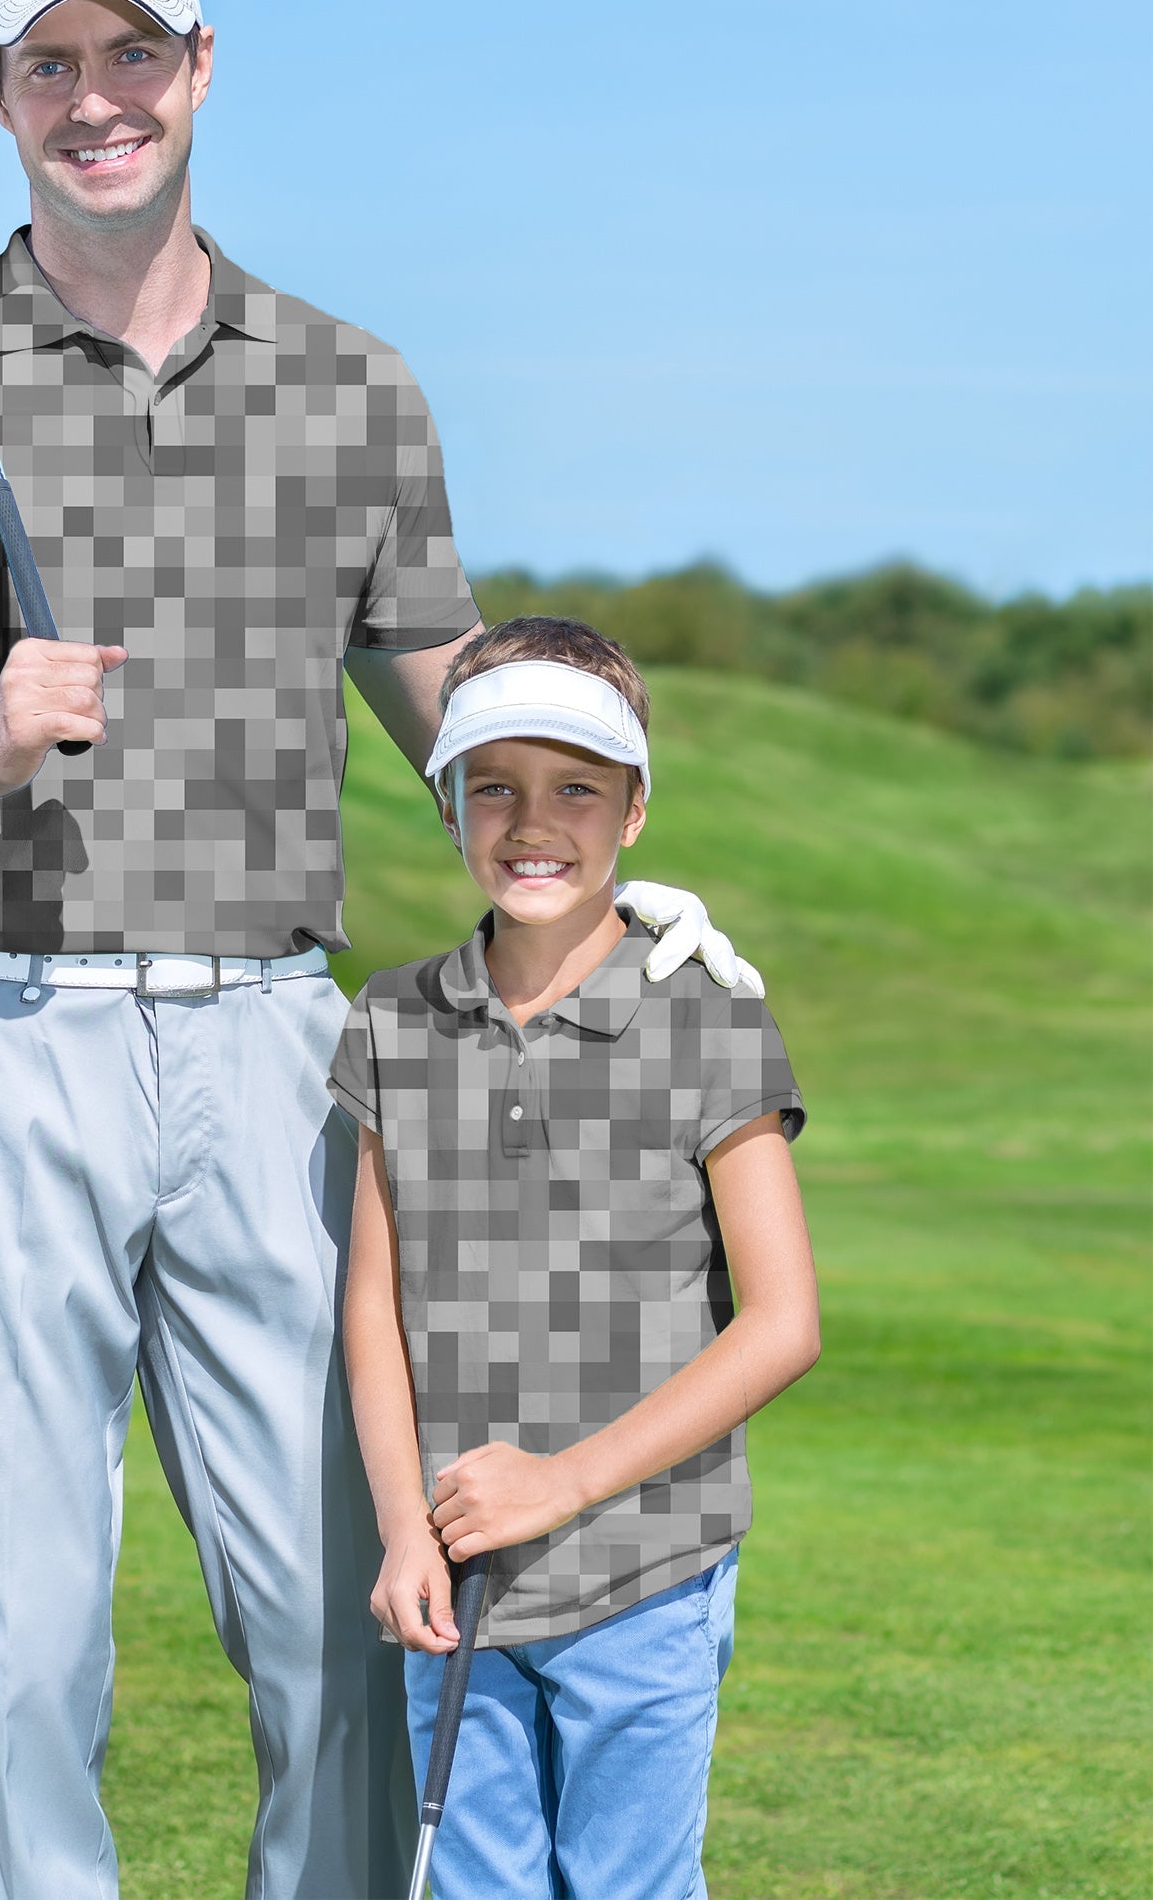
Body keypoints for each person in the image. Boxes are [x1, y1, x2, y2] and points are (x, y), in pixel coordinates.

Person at [0, 0, 752, 1898]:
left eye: (132, 54)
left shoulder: (355, 391)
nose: (96, 100)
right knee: (16, 1649)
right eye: (49, 64)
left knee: (352, 1614)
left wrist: (618, 858)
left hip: (281, 1053)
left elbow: (463, 720)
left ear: (199, 65)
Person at [332, 616, 822, 1900]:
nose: (531, 821)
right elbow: (371, 1303)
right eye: (492, 784)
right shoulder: (392, 1018)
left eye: (575, 789)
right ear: (445, 802)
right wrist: (401, 1529)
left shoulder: (709, 1013)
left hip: (645, 1569)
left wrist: (560, 1486)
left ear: (634, 812)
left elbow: (782, 1323)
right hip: (456, 1576)